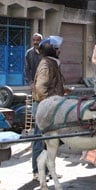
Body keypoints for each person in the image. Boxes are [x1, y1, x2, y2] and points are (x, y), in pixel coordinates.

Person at [31, 36, 65, 181]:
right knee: (39, 139)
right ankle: (37, 172)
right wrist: (49, 104)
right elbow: (40, 88)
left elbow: (53, 85)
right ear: (51, 50)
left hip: (49, 107)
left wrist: (63, 91)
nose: (59, 50)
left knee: (50, 142)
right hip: (43, 108)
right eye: (56, 48)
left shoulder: (53, 63)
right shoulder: (46, 64)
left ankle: (49, 170)